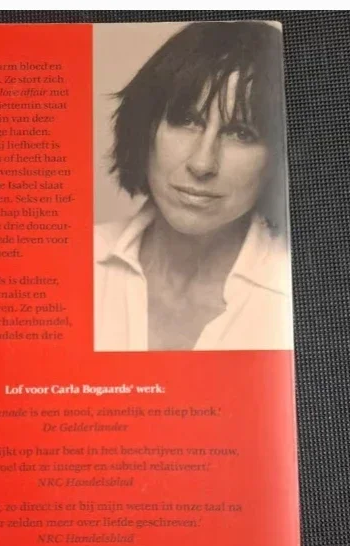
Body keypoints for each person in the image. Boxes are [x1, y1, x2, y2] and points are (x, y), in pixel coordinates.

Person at [94, 21, 293, 352]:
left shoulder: (298, 290)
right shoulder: (72, 263)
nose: (202, 164)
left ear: (278, 157)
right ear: (145, 129)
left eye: (241, 133)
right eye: (186, 121)